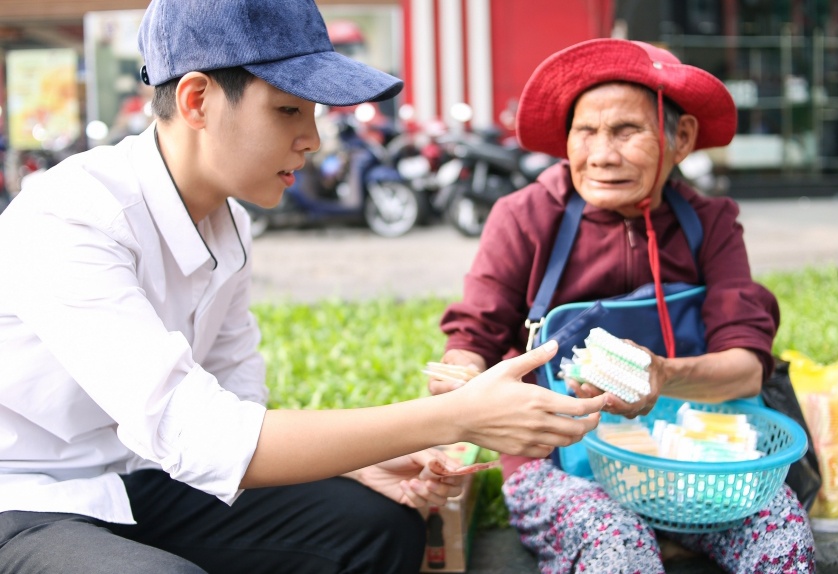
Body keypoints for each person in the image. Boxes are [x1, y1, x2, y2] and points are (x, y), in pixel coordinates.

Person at [0, 2, 608, 573]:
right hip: (28, 498)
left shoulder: (229, 222)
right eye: (288, 110)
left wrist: (362, 464)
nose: (312, 138)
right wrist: (453, 417)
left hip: (145, 480)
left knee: (376, 526)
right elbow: (202, 435)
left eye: (313, 113)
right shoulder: (73, 217)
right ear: (197, 100)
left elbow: (237, 410)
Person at [429, 38, 815, 573]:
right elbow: (473, 337)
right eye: (586, 132)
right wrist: (459, 377)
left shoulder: (712, 224)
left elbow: (746, 368)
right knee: (618, 544)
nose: (602, 155)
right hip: (559, 465)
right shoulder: (524, 218)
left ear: (679, 138)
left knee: (782, 530)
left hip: (693, 460)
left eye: (626, 131)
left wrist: (660, 375)